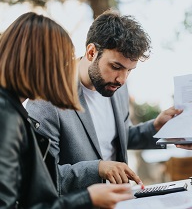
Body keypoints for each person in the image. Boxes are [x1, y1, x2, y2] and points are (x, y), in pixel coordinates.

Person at [26, 9, 182, 194]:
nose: (122, 79)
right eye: (116, 67)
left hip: (121, 200)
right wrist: (98, 168)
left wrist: (155, 127)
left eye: (129, 70)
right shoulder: (46, 98)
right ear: (91, 52)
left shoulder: (117, 87)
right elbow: (41, 177)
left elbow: (116, 139)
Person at [0, 12, 133, 209]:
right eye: (60, 63)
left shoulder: (11, 111)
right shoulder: (7, 117)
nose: (64, 73)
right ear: (38, 63)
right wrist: (87, 198)